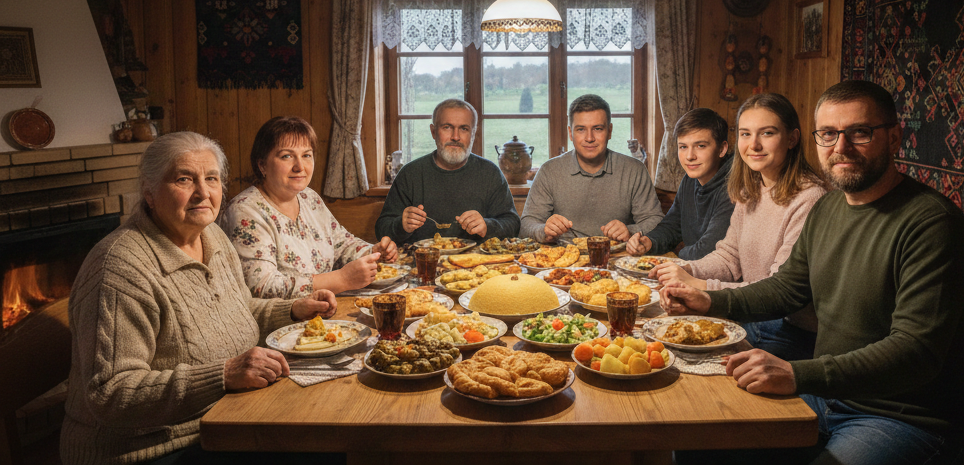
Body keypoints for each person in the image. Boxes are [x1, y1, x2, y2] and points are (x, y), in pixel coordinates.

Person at [664, 80, 964, 465]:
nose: (840, 148)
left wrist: (797, 375)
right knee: (699, 441)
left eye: (859, 132)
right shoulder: (829, 209)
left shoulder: (932, 223)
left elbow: (915, 352)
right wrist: (710, 299)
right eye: (828, 134)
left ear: (895, 138)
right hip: (827, 396)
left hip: (899, 417)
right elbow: (786, 290)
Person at [61, 132, 343, 465]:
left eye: (211, 179)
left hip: (224, 417)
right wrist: (222, 375)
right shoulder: (121, 269)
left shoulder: (211, 236)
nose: (203, 193)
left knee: (332, 433)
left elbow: (240, 310)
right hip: (151, 448)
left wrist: (294, 309)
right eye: (184, 179)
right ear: (149, 193)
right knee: (326, 450)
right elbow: (110, 392)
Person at [650, 94, 828, 361]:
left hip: (790, 332)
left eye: (767, 133)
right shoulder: (750, 187)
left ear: (792, 138)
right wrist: (687, 270)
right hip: (749, 316)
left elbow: (778, 290)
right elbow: (728, 255)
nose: (754, 144)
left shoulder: (809, 198)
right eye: (746, 134)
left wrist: (702, 286)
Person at [220, 116, 397, 299]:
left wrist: (373, 252)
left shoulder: (308, 197)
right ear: (262, 165)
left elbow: (342, 244)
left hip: (325, 310)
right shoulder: (244, 212)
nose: (299, 166)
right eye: (287, 156)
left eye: (306, 155)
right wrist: (341, 279)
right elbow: (261, 287)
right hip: (283, 322)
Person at [520, 94, 663, 243]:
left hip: (617, 258)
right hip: (562, 259)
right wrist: (543, 231)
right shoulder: (549, 171)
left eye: (598, 129)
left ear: (609, 131)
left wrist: (630, 231)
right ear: (570, 133)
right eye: (581, 129)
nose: (589, 138)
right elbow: (526, 225)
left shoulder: (634, 170)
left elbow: (655, 221)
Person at [375, 99, 520, 244]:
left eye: (464, 129)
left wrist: (487, 226)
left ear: (473, 134)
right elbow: (382, 230)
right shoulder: (411, 174)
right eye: (447, 127)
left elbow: (513, 225)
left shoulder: (490, 173)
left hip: (478, 263)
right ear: (433, 131)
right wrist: (401, 225)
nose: (455, 137)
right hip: (421, 263)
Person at [626, 108, 735, 259]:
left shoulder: (733, 187)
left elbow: (708, 251)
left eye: (700, 146)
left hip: (719, 279)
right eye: (683, 147)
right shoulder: (690, 179)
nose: (689, 156)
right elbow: (673, 225)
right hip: (693, 270)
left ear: (722, 149)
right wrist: (649, 241)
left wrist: (676, 258)